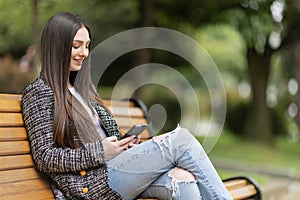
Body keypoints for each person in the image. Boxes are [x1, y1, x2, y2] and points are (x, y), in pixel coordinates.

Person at [21, 12, 232, 200]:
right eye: (76, 46)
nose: (84, 53)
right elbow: (45, 157)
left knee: (182, 179)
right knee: (181, 140)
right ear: (57, 46)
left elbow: (101, 138)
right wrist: (99, 152)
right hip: (89, 185)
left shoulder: (84, 89)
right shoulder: (39, 93)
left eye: (87, 46)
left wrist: (124, 144)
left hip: (113, 171)